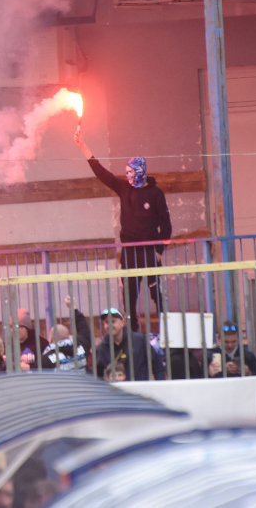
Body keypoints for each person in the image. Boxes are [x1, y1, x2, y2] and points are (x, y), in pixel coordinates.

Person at [75, 132, 171, 331]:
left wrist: (159, 251)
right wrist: (83, 146)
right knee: (129, 295)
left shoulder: (155, 194)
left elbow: (166, 225)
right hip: (129, 251)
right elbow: (103, 174)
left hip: (149, 250)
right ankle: (133, 332)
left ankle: (166, 331)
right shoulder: (123, 188)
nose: (126, 175)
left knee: (156, 293)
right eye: (126, 172)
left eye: (130, 172)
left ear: (139, 172)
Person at [93, 308, 166, 381]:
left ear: (122, 322)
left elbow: (158, 367)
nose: (110, 325)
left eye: (113, 321)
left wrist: (159, 388)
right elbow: (98, 378)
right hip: (115, 392)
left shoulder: (139, 340)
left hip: (140, 390)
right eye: (106, 322)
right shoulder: (101, 349)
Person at [43, 297, 92, 371]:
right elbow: (83, 328)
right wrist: (73, 308)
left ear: (51, 339)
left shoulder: (46, 359)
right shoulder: (81, 347)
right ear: (69, 337)